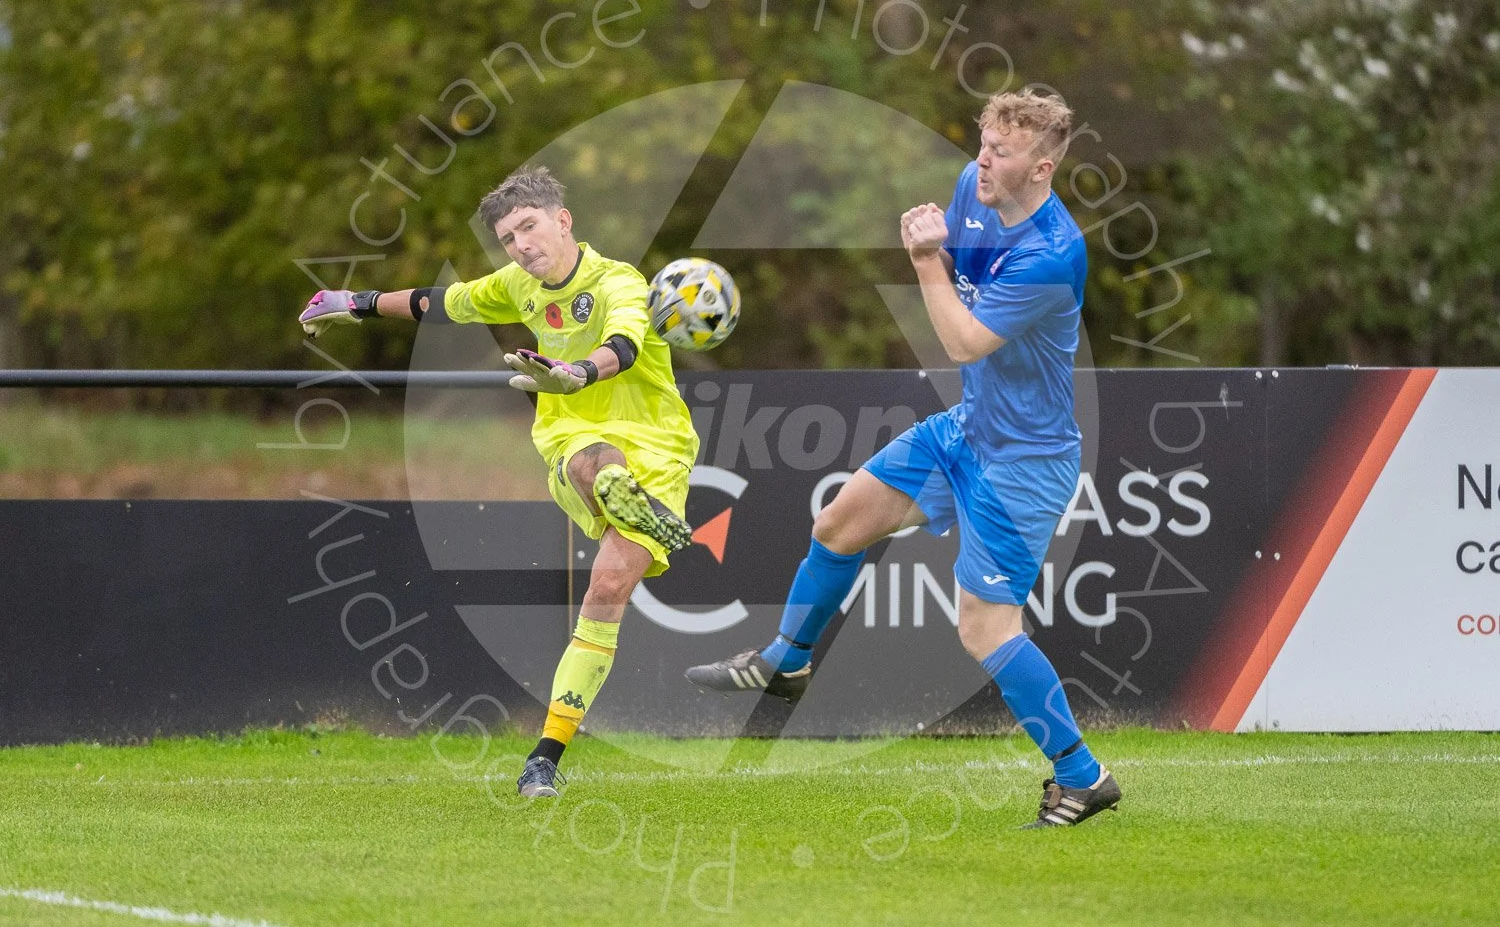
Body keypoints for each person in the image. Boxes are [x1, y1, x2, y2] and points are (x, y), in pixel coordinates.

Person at [685, 91, 1121, 829]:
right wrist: (938, 246)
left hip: (1025, 463)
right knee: (838, 525)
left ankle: (1085, 777)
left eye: (1002, 152)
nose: (982, 160)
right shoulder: (972, 188)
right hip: (968, 429)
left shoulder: (1054, 253)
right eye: (982, 142)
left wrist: (923, 260)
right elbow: (958, 276)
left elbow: (961, 342)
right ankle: (787, 659)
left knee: (985, 628)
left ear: (1042, 168)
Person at [299, 165, 696, 799]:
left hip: (660, 446)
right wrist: (356, 302)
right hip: (572, 436)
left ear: (562, 221)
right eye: (508, 239)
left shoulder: (619, 279)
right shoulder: (516, 285)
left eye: (529, 228)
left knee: (608, 584)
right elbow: (439, 304)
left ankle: (545, 755)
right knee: (596, 458)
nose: (521, 247)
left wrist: (575, 371)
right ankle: (622, 497)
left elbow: (623, 344)